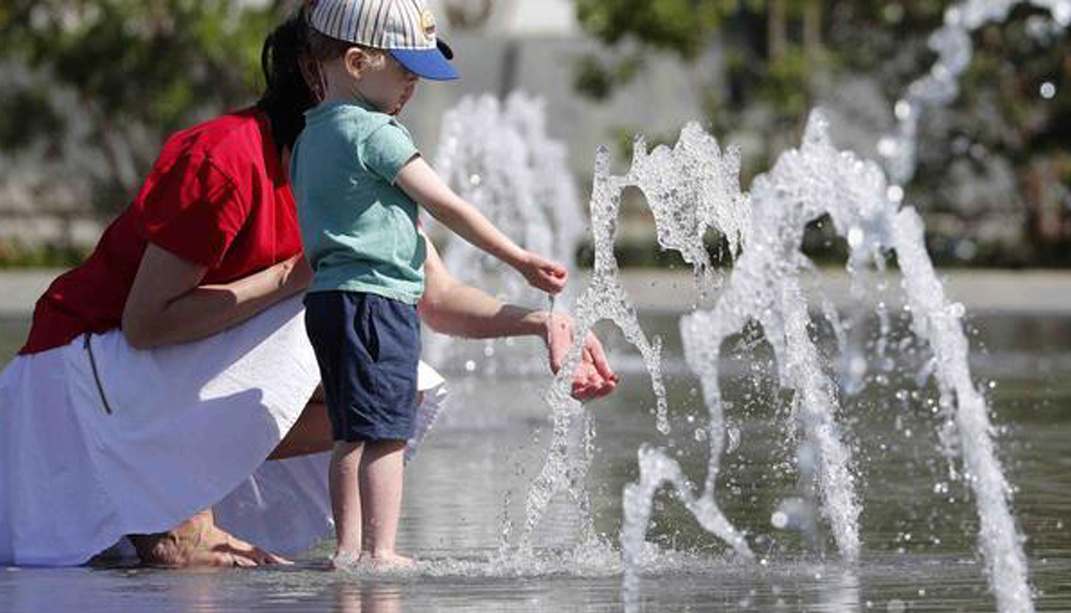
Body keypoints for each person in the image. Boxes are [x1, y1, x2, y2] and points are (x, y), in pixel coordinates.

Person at [0, 6, 617, 568]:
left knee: (394, 387)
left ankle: (192, 507)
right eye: (402, 69)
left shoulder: (365, 166)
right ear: (327, 69)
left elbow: (438, 299)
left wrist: (540, 321)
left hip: (149, 384)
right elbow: (146, 322)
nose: (410, 91)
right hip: (72, 385)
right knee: (326, 314)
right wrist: (289, 279)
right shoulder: (227, 158)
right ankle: (174, 514)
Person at [292, 0, 569, 570]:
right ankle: (380, 548)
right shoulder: (375, 132)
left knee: (349, 432)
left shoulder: (310, 137)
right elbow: (446, 204)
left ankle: (347, 547)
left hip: (328, 300)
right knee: (388, 433)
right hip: (378, 300)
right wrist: (518, 258)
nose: (411, 87)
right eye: (405, 71)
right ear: (357, 62)